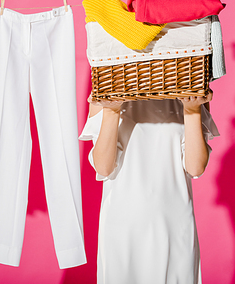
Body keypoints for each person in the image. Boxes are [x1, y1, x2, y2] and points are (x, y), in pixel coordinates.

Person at [79, 90, 219, 284]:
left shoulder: (189, 85)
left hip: (174, 229)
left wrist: (192, 109)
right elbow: (104, 167)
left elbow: (195, 167)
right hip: (122, 231)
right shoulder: (107, 83)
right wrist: (112, 111)